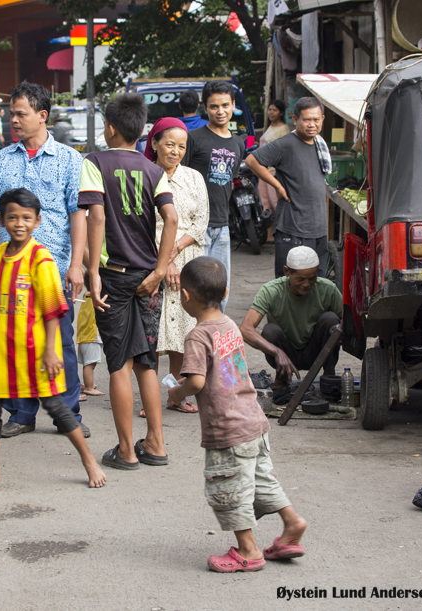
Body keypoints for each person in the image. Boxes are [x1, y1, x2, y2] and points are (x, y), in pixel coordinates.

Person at [0, 189, 106, 488]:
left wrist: (51, 351)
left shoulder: (41, 260)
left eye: (26, 218)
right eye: (12, 217)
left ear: (38, 221)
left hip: (34, 352)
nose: (19, 223)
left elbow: (53, 310)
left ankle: (89, 460)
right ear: (1, 220)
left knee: (57, 408)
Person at [168, 256, 307, 573]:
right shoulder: (229, 325)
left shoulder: (197, 335)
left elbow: (197, 382)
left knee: (227, 489)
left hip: (227, 428)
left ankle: (249, 550)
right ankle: (293, 524)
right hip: (253, 421)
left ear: (185, 296)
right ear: (226, 290)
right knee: (262, 482)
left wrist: (177, 392)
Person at [0, 81, 89, 438]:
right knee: (13, 341)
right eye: (12, 114)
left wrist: (76, 265)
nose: (14, 120)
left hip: (53, 268)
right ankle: (21, 415)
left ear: (42, 116)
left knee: (61, 343)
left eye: (21, 114)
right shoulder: (1, 160)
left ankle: (68, 415)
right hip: (8, 272)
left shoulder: (71, 160)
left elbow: (78, 215)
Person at [81, 92, 179, 470]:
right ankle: (155, 443)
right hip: (148, 280)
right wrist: (158, 270)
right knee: (146, 362)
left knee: (119, 364)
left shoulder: (95, 163)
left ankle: (125, 451)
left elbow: (96, 217)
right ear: (141, 131)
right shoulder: (154, 171)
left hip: (114, 278)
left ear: (110, 127)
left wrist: (92, 273)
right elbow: (170, 219)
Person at [144, 117, 209, 415]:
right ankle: (149, 400)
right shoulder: (144, 175)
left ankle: (175, 395)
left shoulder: (194, 178)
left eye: (181, 146)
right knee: (152, 333)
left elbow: (200, 223)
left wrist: (172, 255)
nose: (175, 151)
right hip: (150, 260)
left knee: (183, 332)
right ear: (154, 143)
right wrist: (163, 260)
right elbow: (141, 224)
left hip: (187, 263)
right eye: (169, 144)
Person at [246, 96, 330, 278]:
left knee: (316, 283)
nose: (312, 124)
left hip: (317, 228)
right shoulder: (287, 144)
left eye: (316, 119)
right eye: (306, 119)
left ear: (322, 119)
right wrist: (277, 185)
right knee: (290, 284)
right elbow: (252, 160)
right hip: (293, 227)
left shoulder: (319, 144)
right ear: (295, 119)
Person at [183, 80, 246, 311]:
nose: (220, 111)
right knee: (195, 288)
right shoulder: (193, 138)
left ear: (233, 106)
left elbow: (228, 182)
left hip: (222, 224)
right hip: (195, 226)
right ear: (204, 108)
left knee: (221, 288)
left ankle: (215, 336)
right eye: (214, 106)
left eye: (225, 105)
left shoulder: (238, 143)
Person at [239, 246, 341, 386]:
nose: (307, 284)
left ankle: (329, 376)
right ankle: (282, 377)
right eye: (300, 279)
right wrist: (277, 352)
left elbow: (349, 321)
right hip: (285, 353)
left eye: (312, 278)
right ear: (287, 272)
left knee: (331, 320)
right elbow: (245, 329)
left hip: (317, 351)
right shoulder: (271, 291)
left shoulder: (327, 289)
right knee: (270, 331)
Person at [256, 100, 289, 244]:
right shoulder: (270, 126)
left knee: (276, 203)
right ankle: (270, 235)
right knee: (266, 204)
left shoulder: (284, 129)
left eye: (274, 110)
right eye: (269, 109)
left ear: (281, 113)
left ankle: (285, 234)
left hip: (273, 171)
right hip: (262, 169)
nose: (271, 112)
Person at [76, 296, 105, 399]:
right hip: (92, 337)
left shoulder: (86, 297)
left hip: (84, 336)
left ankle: (89, 383)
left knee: (88, 363)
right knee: (90, 364)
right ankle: (89, 387)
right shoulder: (94, 298)